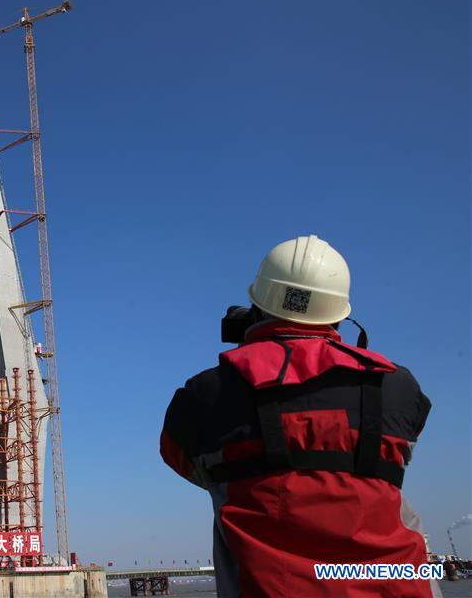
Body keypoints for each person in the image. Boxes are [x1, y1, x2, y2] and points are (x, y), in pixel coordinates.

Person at [160, 235, 438, 597]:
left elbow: (179, 458)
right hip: (401, 589)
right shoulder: (397, 386)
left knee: (224, 490)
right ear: (340, 315)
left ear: (256, 306)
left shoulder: (205, 395)